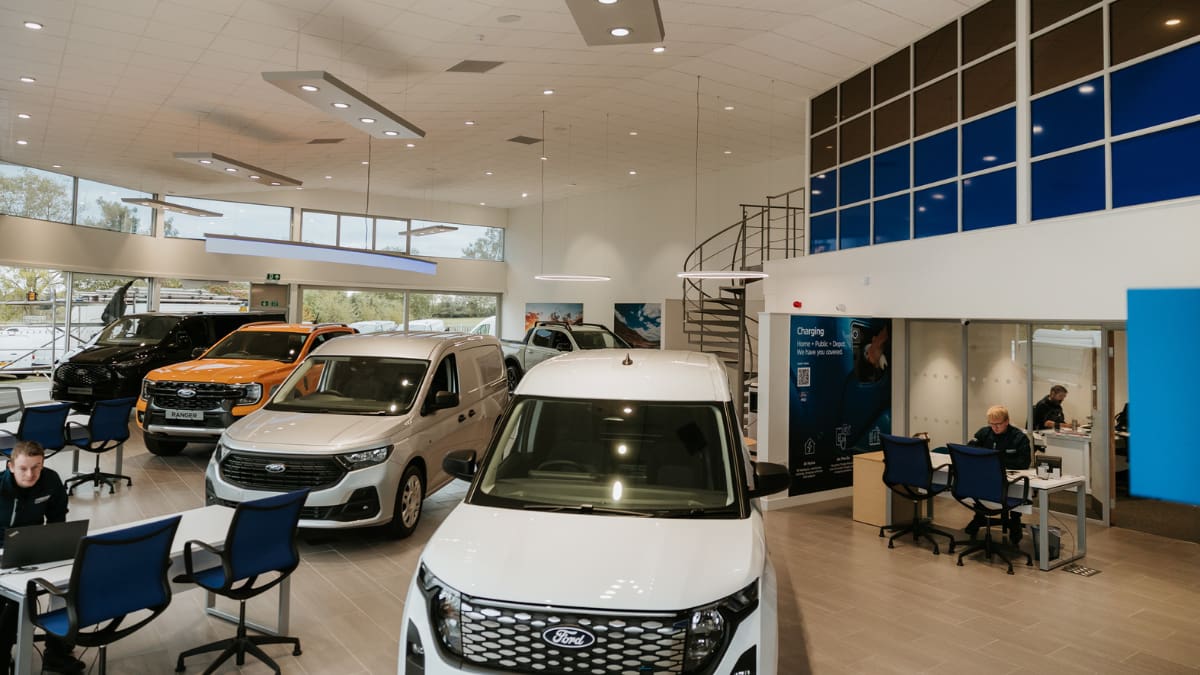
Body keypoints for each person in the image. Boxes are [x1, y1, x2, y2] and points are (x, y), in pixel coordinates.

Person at [0, 441, 85, 674]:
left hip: (37, 547)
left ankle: (57, 654)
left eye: (37, 467)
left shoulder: (50, 480)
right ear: (10, 466)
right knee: (10, 604)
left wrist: (57, 545)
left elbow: (58, 518)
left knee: (71, 587)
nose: (31, 474)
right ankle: (2, 655)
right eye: (24, 468)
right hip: (1, 553)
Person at [964, 405, 1032, 545]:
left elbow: (1024, 462)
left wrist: (996, 460)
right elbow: (970, 450)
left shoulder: (1019, 438)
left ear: (1007, 421)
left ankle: (1014, 522)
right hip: (987, 477)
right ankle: (979, 517)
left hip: (1011, 479)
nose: (995, 428)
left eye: (998, 424)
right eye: (992, 424)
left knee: (1014, 491)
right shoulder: (984, 433)